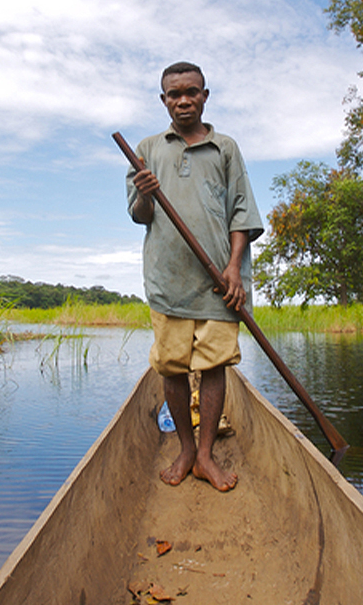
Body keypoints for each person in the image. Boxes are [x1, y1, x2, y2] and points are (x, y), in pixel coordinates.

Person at [126, 61, 264, 493]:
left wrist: (234, 269)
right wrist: (146, 194)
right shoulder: (146, 149)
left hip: (218, 282)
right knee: (171, 367)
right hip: (168, 280)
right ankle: (185, 449)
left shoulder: (225, 148)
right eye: (173, 94)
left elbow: (241, 211)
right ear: (163, 100)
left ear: (205, 96)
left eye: (191, 92)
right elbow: (139, 215)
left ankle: (205, 455)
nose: (183, 100)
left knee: (215, 365)